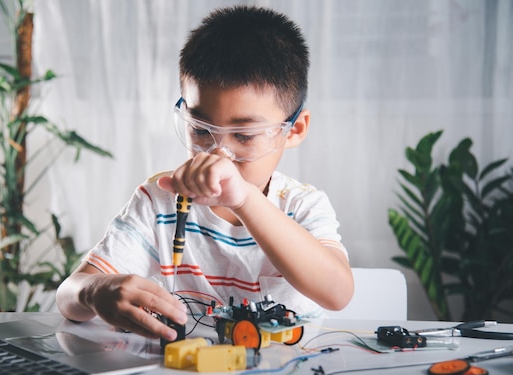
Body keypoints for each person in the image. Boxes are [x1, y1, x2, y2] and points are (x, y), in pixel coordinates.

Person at [56, 5, 353, 342]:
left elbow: (338, 294)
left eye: (243, 136)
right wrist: (96, 291)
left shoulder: (303, 206)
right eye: (199, 129)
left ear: (295, 129)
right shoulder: (159, 201)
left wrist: (245, 199)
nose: (218, 153)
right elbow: (68, 295)